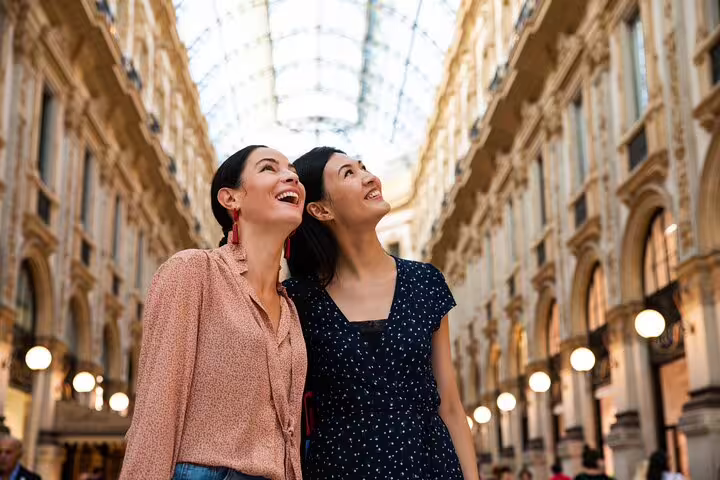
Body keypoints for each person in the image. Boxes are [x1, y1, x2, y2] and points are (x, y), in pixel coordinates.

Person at [285, 147, 479, 480]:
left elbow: (449, 403)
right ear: (320, 209)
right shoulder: (298, 300)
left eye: (364, 168)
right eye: (349, 173)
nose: (370, 178)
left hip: (430, 467)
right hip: (338, 470)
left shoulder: (424, 282)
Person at [120, 146, 307, 480]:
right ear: (230, 199)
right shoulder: (193, 271)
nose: (291, 175)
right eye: (269, 168)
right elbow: (157, 407)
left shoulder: (290, 308)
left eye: (292, 169)